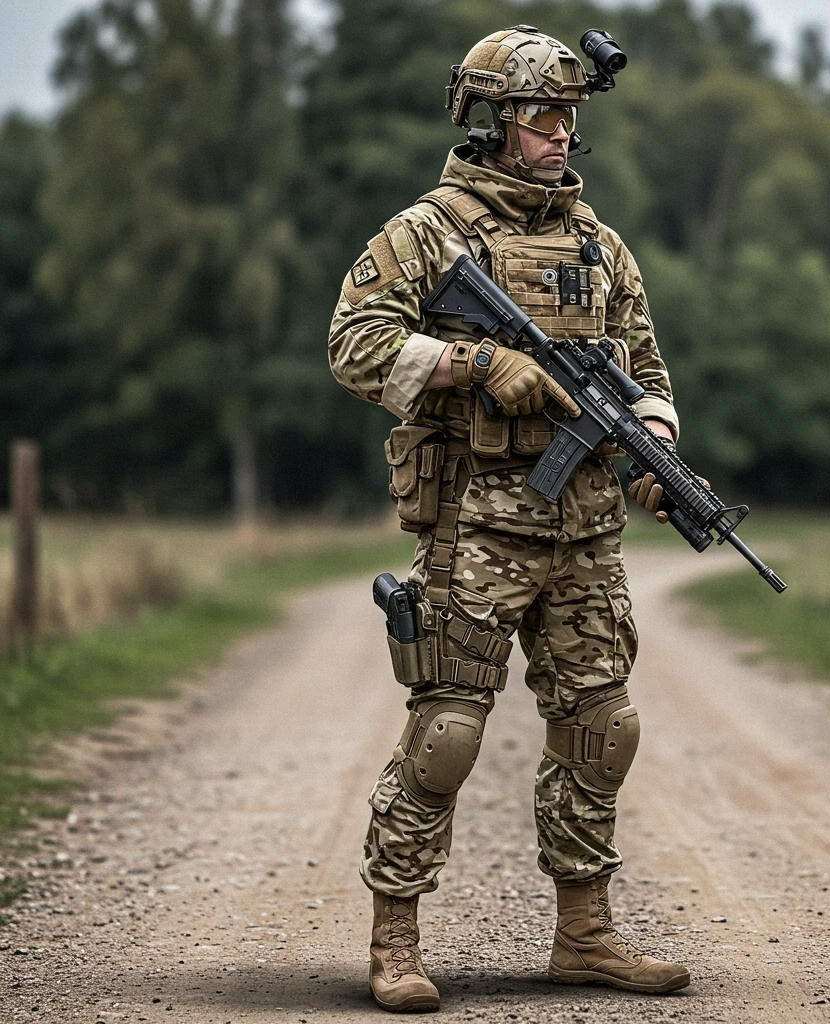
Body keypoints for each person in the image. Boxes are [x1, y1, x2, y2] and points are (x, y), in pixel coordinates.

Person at [329, 25, 689, 1013]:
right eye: (541, 116)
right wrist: (474, 363)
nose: (560, 134)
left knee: (601, 723)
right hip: (476, 526)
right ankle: (394, 939)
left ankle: (585, 933)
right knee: (446, 730)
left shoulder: (598, 245)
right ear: (494, 122)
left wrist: (652, 452)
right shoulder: (426, 233)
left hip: (583, 532)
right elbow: (354, 345)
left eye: (569, 116)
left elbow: (644, 372)